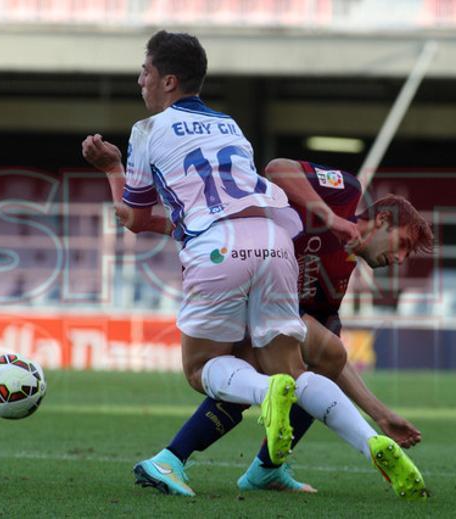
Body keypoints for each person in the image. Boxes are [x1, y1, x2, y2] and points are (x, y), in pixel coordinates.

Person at [81, 30, 371, 497]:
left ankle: (250, 405)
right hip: (275, 243)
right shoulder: (230, 125)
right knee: (292, 368)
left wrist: (112, 169)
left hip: (218, 252)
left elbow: (134, 218)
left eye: (146, 71)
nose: (140, 80)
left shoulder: (147, 131)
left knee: (204, 369)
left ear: (168, 80)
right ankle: (357, 444)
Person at [132, 158, 433, 499]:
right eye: (404, 243)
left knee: (316, 359)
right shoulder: (346, 193)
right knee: (263, 369)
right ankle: (178, 458)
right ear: (382, 220)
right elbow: (277, 169)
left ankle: (254, 467)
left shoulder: (339, 275)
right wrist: (329, 216)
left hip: (257, 303)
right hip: (230, 265)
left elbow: (328, 356)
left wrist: (381, 414)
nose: (401, 258)